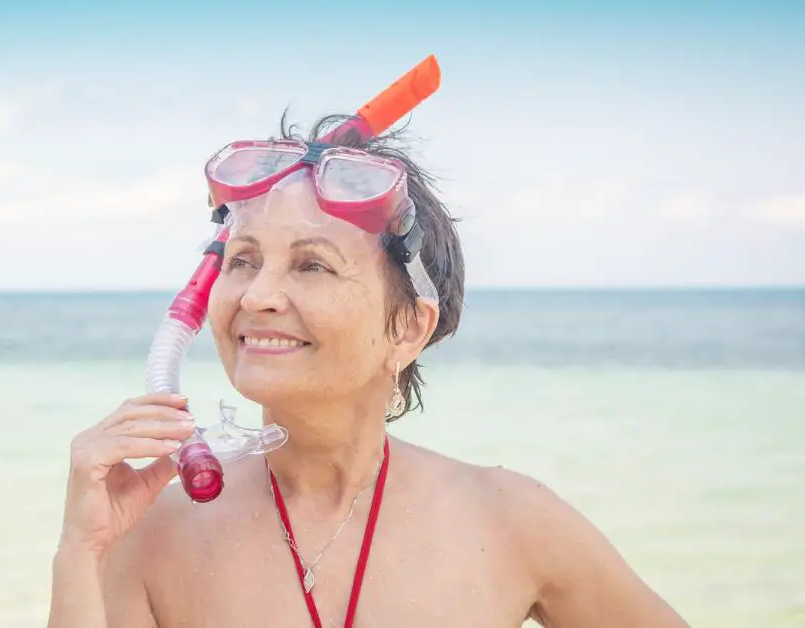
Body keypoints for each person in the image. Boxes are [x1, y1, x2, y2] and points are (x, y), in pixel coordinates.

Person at [47, 115, 689, 627]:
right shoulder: (156, 529)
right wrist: (80, 553)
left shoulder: (511, 522)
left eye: (312, 265)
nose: (256, 295)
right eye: (242, 260)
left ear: (407, 327)